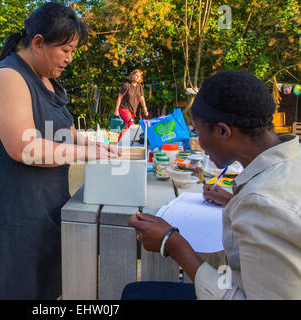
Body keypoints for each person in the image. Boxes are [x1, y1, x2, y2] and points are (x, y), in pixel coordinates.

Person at [0, 2, 119, 300]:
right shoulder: (9, 78)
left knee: (49, 286)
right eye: (65, 50)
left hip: (50, 203)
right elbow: (26, 148)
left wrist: (92, 145)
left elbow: (65, 131)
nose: (70, 58)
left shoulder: (48, 80)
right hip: (16, 210)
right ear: (39, 42)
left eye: (73, 51)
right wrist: (86, 155)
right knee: (21, 288)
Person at [123, 70, 301, 300]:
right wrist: (234, 200)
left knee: (136, 295)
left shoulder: (261, 204)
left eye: (198, 131)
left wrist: (173, 243)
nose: (199, 142)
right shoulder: (287, 166)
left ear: (223, 131)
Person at [114, 70, 149, 141]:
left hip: (132, 111)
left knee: (127, 127)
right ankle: (130, 142)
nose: (137, 77)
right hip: (124, 109)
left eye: (139, 76)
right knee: (131, 124)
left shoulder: (139, 87)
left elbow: (142, 99)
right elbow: (119, 98)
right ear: (132, 75)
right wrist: (116, 110)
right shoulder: (126, 85)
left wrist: (145, 109)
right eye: (136, 75)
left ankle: (119, 142)